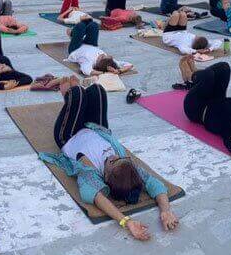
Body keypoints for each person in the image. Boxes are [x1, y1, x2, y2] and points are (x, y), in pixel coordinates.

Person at [39, 77, 179, 241]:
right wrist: (166, 210)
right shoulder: (126, 167)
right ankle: (73, 90)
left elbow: (96, 196)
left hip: (70, 134)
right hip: (95, 128)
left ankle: (68, 92)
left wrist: (126, 222)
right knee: (97, 90)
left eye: (111, 162)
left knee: (77, 94)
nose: (113, 156)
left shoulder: (90, 170)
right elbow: (157, 186)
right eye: (119, 158)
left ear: (105, 177)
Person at [66, 20, 133, 76]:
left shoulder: (88, 62)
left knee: (81, 26)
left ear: (99, 62)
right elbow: (130, 65)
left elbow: (88, 71)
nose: (103, 54)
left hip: (76, 48)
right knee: (94, 25)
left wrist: (105, 73)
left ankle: (72, 35)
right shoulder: (111, 62)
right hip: (90, 44)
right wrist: (118, 71)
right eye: (105, 55)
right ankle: (76, 35)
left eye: (102, 56)